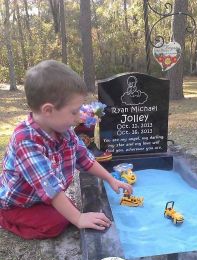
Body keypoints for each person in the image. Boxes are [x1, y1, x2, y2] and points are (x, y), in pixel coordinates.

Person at [0, 60, 132, 240]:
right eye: (74, 112)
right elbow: (51, 188)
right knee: (56, 224)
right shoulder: (26, 141)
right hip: (19, 204)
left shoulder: (64, 132)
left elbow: (85, 159)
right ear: (48, 110)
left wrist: (110, 179)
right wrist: (78, 218)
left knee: (67, 209)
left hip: (40, 196)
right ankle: (3, 217)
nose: (79, 118)